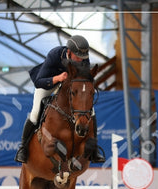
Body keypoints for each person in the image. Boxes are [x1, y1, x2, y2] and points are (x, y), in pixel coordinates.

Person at [14, 34, 105, 164]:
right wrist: (58, 78)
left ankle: (94, 149)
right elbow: (39, 82)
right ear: (69, 52)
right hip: (48, 83)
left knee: (91, 111)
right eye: (77, 56)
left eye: (83, 57)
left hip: (69, 87)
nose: (80, 60)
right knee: (35, 113)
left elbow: (84, 79)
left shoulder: (84, 58)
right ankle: (23, 148)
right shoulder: (55, 54)